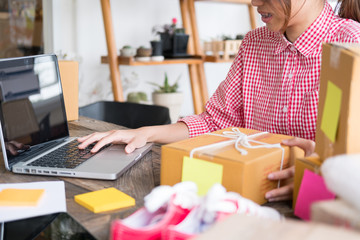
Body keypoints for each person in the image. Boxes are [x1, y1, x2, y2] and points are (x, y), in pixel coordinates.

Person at [78, 0, 360, 202]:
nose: (254, 2)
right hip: (247, 197)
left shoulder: (350, 46)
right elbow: (216, 121)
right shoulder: (254, 44)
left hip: (321, 202)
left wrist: (314, 171)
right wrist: (146, 133)